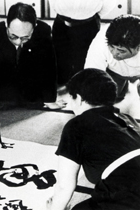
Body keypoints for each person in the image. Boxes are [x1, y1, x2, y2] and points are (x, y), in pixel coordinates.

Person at [47, 69, 140, 210]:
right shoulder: (128, 119)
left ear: (78, 98)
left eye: (70, 99)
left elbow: (64, 186)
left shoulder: (77, 125)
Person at [0, 3, 60, 110]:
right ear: (7, 25)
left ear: (34, 27)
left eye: (25, 37)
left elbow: (49, 67)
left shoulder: (43, 31)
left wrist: (49, 99)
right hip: (3, 90)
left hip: (31, 89)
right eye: (13, 36)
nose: (19, 42)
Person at [84, 14, 140, 119]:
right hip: (115, 70)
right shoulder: (101, 41)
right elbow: (91, 76)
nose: (114, 54)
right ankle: (123, 85)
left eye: (121, 51)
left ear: (138, 47)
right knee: (107, 99)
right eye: (111, 47)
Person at [49, 0, 116, 86]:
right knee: (59, 54)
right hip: (62, 20)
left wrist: (92, 15)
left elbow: (109, 3)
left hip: (88, 22)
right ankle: (62, 81)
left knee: (84, 57)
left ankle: (81, 85)